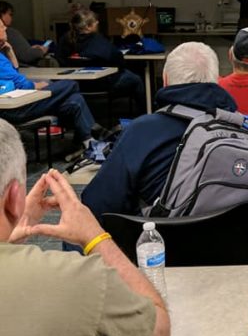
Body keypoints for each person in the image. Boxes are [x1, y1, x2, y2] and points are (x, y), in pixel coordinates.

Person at [0, 121, 170, 336]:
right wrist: (95, 237)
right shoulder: (78, 279)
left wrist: (10, 226)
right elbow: (157, 332)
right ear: (16, 196)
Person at [81, 42, 237, 219]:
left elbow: (96, 203)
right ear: (217, 81)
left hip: (156, 241)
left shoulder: (141, 130)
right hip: (231, 241)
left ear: (165, 80)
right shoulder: (238, 126)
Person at [0, 19, 100, 153]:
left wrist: (10, 51)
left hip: (19, 102)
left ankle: (89, 144)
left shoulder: (2, 54)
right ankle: (89, 143)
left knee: (75, 101)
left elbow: (14, 74)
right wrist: (38, 85)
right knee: (71, 85)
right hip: (16, 108)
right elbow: (23, 84)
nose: (6, 28)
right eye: (1, 26)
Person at [55, 8, 146, 113]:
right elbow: (118, 61)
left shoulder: (65, 40)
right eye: (94, 22)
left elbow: (59, 59)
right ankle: (142, 114)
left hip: (77, 84)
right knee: (137, 79)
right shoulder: (99, 42)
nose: (97, 22)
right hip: (104, 84)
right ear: (88, 27)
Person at [0, 1, 47, 66]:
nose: (11, 18)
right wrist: (41, 51)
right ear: (1, 14)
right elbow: (27, 56)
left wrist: (28, 49)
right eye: (10, 14)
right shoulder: (9, 32)